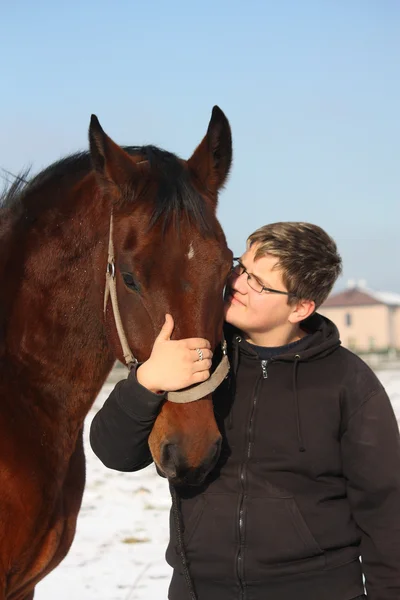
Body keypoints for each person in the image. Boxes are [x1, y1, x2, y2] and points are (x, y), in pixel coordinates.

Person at [90, 222, 400, 600]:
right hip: (201, 591)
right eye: (241, 267)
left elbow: (385, 513)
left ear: (300, 307)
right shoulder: (199, 354)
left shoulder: (348, 383)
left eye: (259, 283)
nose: (236, 283)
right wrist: (146, 382)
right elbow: (114, 453)